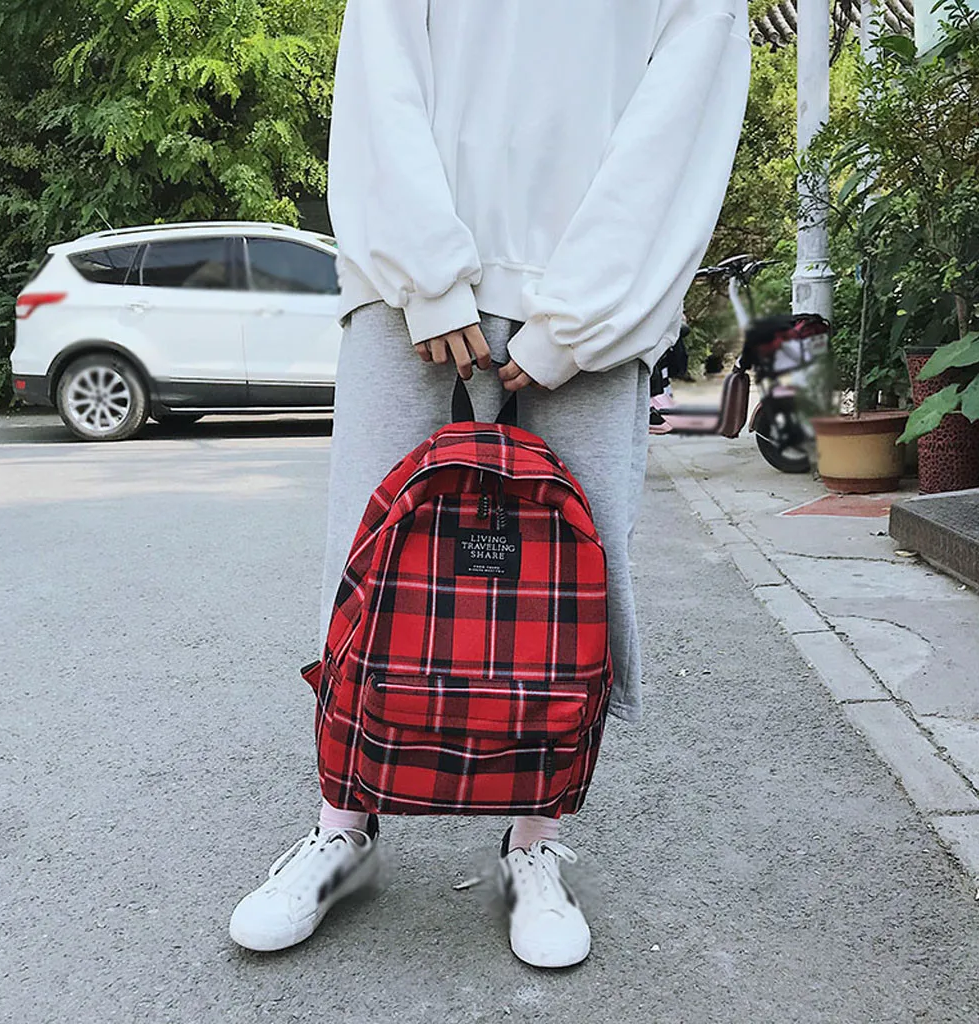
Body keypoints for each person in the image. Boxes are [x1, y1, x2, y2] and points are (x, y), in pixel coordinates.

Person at [230, 0, 751, 968]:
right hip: (403, 287)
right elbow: (381, 62)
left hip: (591, 295)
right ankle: (342, 825)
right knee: (366, 566)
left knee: (569, 592)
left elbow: (682, 114)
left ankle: (532, 844)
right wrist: (426, 273)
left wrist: (581, 318)